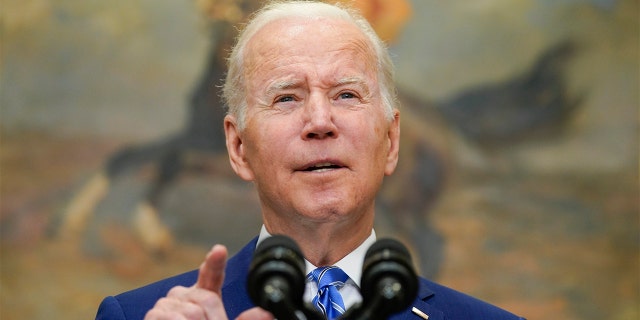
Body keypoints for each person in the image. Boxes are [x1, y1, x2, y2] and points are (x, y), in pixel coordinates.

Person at [95, 1, 525, 319]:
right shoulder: (132, 316)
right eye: (286, 98)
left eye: (346, 95)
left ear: (391, 141)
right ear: (239, 148)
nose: (320, 122)